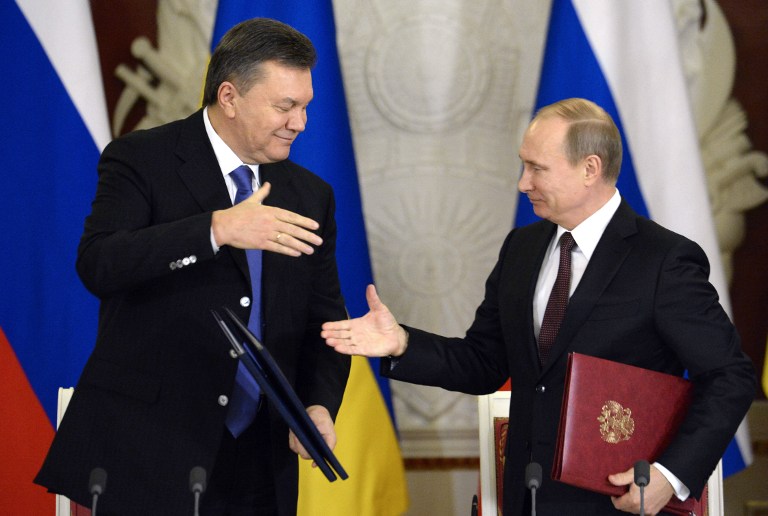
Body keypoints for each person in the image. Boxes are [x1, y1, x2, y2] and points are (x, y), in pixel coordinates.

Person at [322, 98, 756, 515]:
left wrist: (670, 475)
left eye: (537, 168)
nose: (523, 183)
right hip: (526, 495)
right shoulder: (522, 248)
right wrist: (402, 344)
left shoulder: (662, 259)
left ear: (590, 169)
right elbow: (483, 362)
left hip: (620, 499)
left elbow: (729, 376)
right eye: (523, 165)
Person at [35, 18, 350, 515]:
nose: (300, 123)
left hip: (262, 462)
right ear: (229, 97)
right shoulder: (141, 159)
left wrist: (318, 404)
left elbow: (324, 322)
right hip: (152, 449)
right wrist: (215, 229)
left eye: (305, 106)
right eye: (285, 106)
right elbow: (100, 264)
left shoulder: (311, 195)